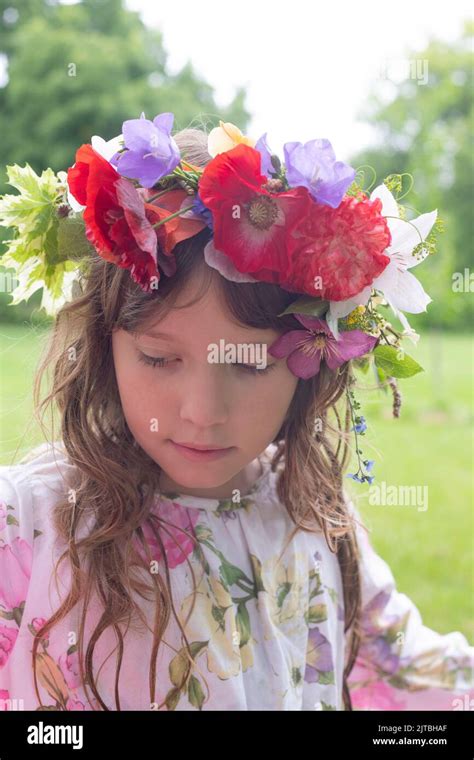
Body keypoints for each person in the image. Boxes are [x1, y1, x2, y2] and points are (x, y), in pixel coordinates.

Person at [0, 115, 472, 711]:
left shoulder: (313, 514)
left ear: (309, 365)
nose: (202, 413)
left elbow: (410, 670)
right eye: (158, 358)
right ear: (103, 346)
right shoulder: (27, 525)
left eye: (249, 365)